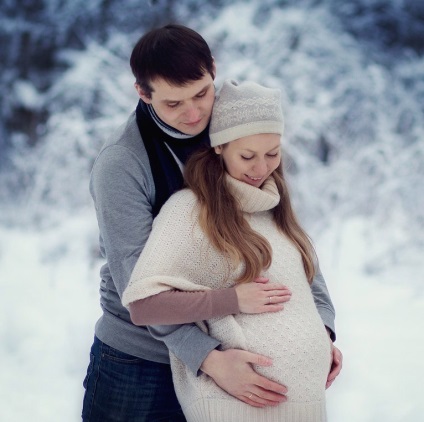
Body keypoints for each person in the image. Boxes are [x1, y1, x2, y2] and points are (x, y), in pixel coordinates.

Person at [82, 24, 342, 421]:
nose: (193, 113)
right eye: (173, 104)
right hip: (141, 362)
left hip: (233, 357)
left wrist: (320, 328)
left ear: (213, 70)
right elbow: (136, 281)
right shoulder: (122, 164)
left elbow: (284, 235)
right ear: (143, 92)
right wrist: (208, 359)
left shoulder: (239, 125)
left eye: (202, 93)